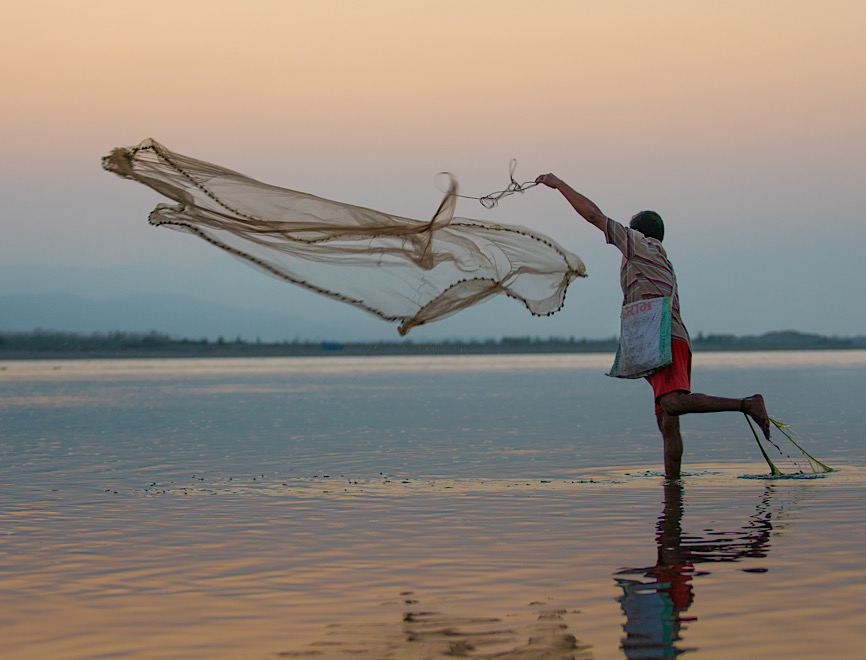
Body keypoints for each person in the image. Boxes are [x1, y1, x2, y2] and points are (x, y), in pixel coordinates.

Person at [535, 174, 771, 479]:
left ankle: (746, 404)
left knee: (672, 404)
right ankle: (673, 488)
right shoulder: (661, 258)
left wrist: (559, 185)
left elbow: (594, 215)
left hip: (664, 340)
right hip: (666, 340)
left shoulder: (640, 245)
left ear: (638, 232)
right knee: (667, 423)